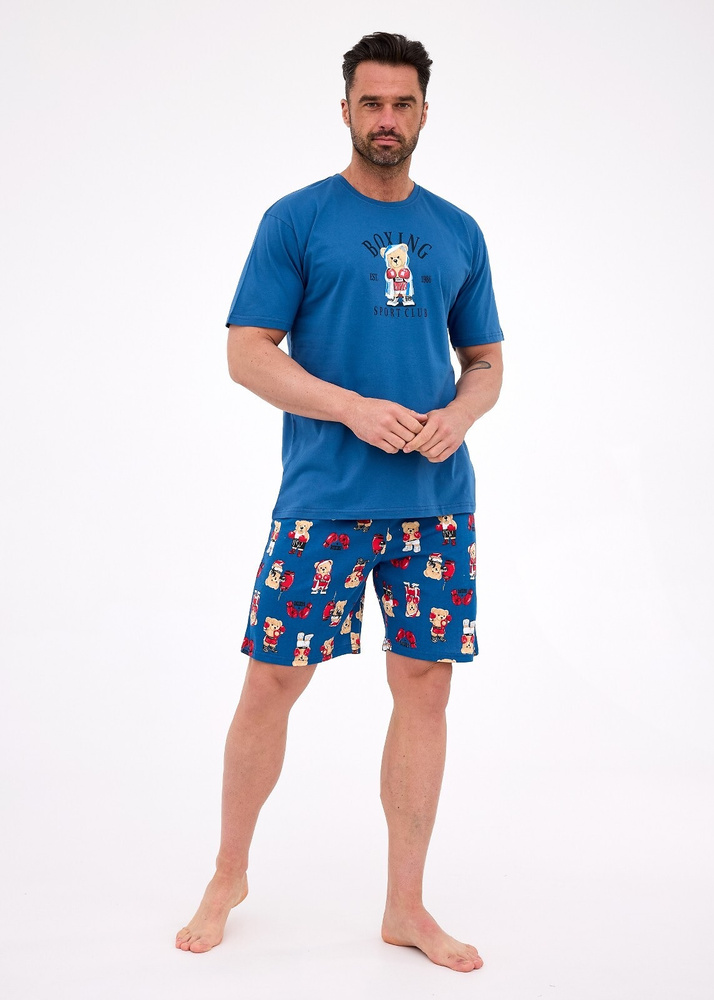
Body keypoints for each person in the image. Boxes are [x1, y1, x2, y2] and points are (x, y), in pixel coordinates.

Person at [176, 31, 504, 973]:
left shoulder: (459, 230)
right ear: (347, 109)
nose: (386, 119)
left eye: (402, 104)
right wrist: (353, 408)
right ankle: (228, 874)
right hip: (324, 502)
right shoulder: (298, 220)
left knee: (425, 688)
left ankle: (405, 906)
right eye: (372, 103)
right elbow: (247, 355)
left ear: (425, 112)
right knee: (271, 682)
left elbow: (485, 364)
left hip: (435, 505)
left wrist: (461, 417)